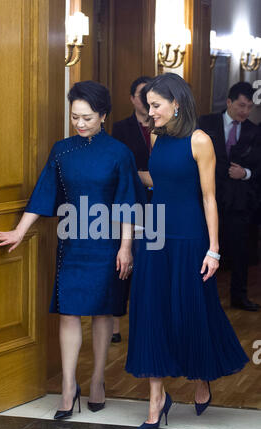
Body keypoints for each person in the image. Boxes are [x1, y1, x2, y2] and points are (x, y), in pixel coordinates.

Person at [0, 80, 145, 419]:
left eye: (87, 118)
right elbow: (44, 191)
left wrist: (126, 248)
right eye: (75, 116)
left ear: (103, 115)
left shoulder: (120, 153)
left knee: (104, 312)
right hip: (72, 242)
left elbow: (128, 205)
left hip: (108, 245)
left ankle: (97, 381)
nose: (79, 124)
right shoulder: (61, 150)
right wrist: (20, 230)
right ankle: (67, 386)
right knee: (69, 311)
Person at [125, 73, 249, 429]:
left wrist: (214, 250)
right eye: (149, 106)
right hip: (156, 236)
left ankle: (200, 379)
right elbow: (159, 181)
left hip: (191, 238)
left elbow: (208, 198)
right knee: (151, 312)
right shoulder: (156, 137)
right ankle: (156, 399)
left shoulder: (200, 141)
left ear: (176, 103)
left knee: (191, 310)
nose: (150, 112)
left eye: (156, 105)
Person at [199, 82, 261, 311]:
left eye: (249, 107)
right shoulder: (205, 123)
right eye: (241, 105)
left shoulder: (255, 131)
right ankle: (204, 297)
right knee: (205, 249)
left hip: (238, 202)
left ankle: (239, 297)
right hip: (208, 197)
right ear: (229, 102)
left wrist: (244, 173)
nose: (245, 111)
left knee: (240, 252)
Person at [111, 76, 152, 343]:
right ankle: (115, 325)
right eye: (141, 94)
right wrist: (142, 176)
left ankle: (145, 321)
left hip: (160, 202)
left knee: (149, 262)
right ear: (132, 98)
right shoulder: (121, 127)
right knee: (124, 261)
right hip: (129, 200)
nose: (146, 100)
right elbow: (120, 168)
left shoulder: (167, 126)